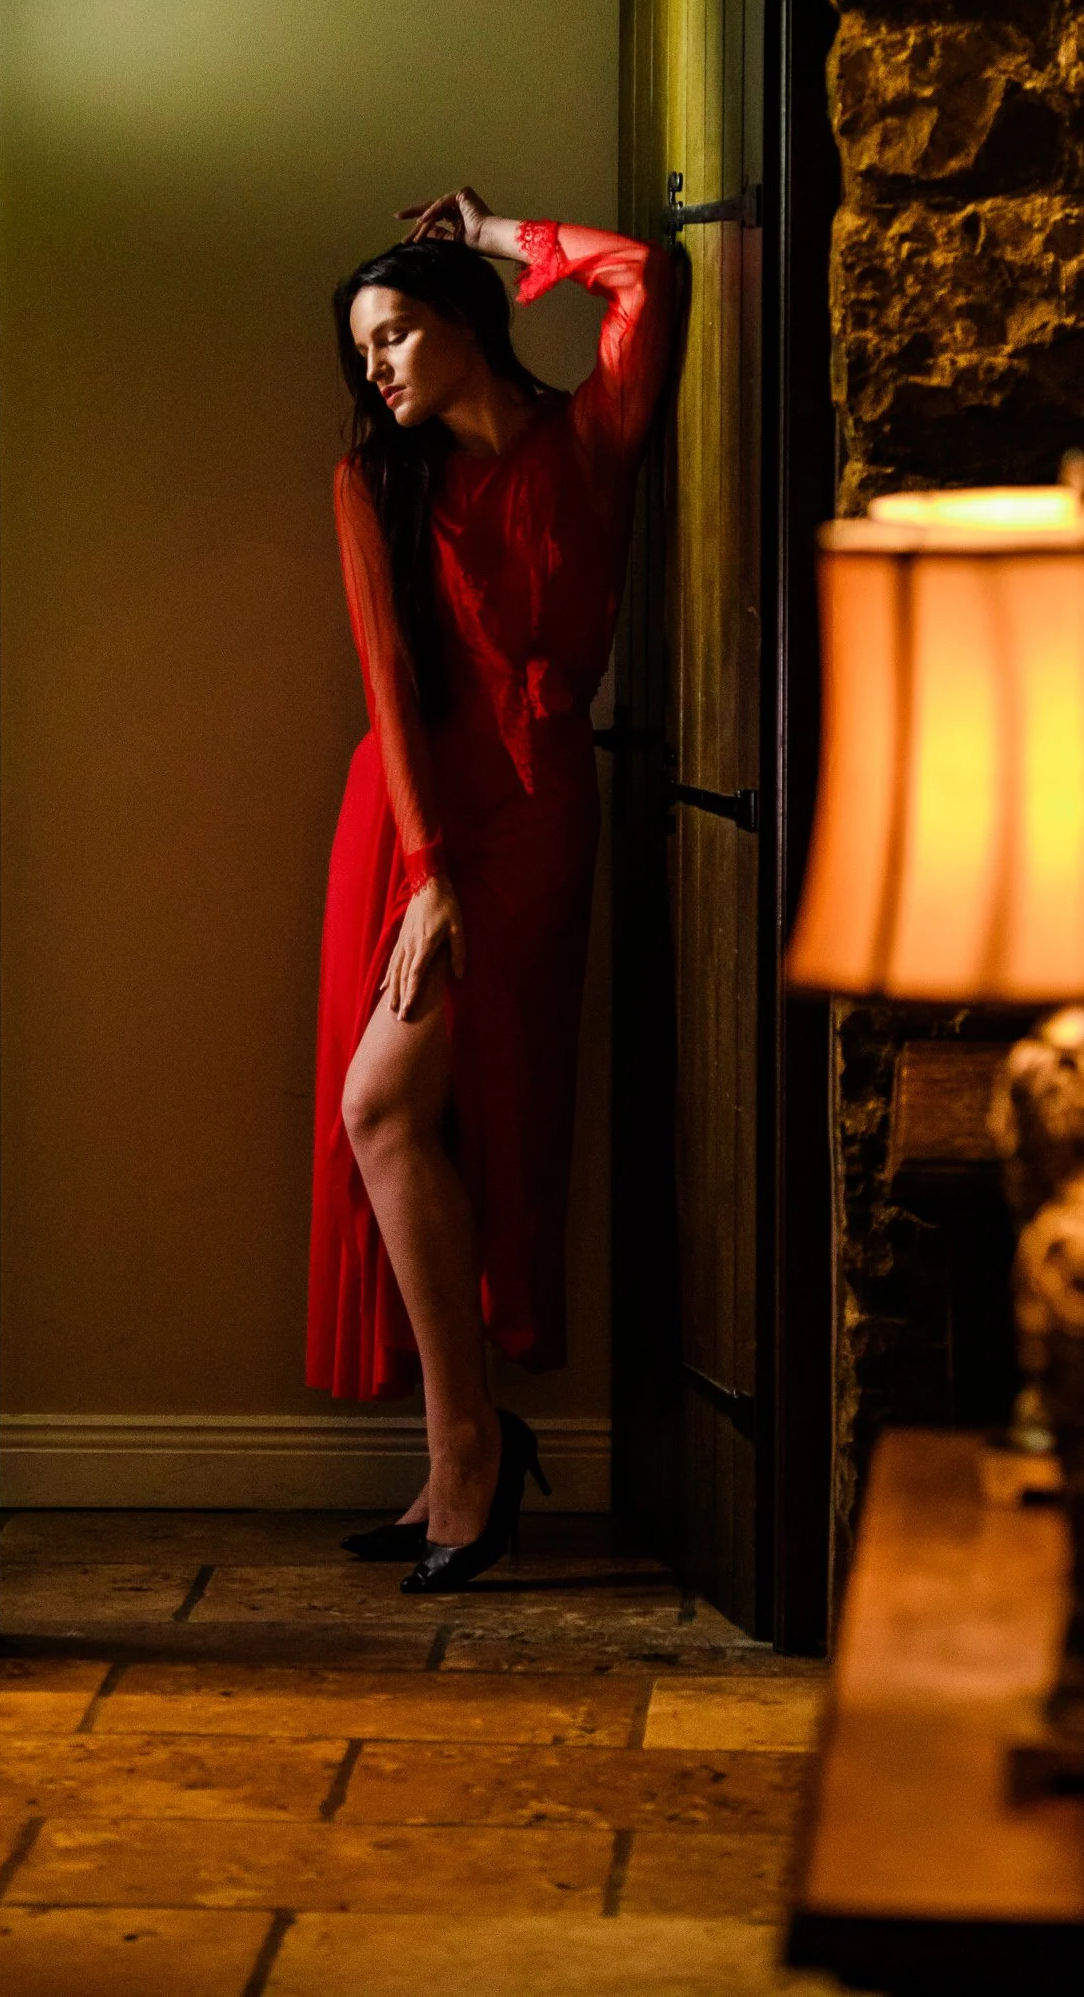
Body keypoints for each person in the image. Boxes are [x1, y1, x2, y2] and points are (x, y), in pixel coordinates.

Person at [307, 187, 673, 1592]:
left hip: (543, 803)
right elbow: (390, 694)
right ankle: (462, 1447)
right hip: (412, 810)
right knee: (382, 1108)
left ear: (463, 325)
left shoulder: (592, 439)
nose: (377, 367)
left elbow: (646, 277)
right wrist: (428, 875)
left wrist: (497, 236)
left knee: (463, 1108)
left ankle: (465, 1451)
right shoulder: (373, 483)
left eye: (395, 334)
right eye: (362, 351)